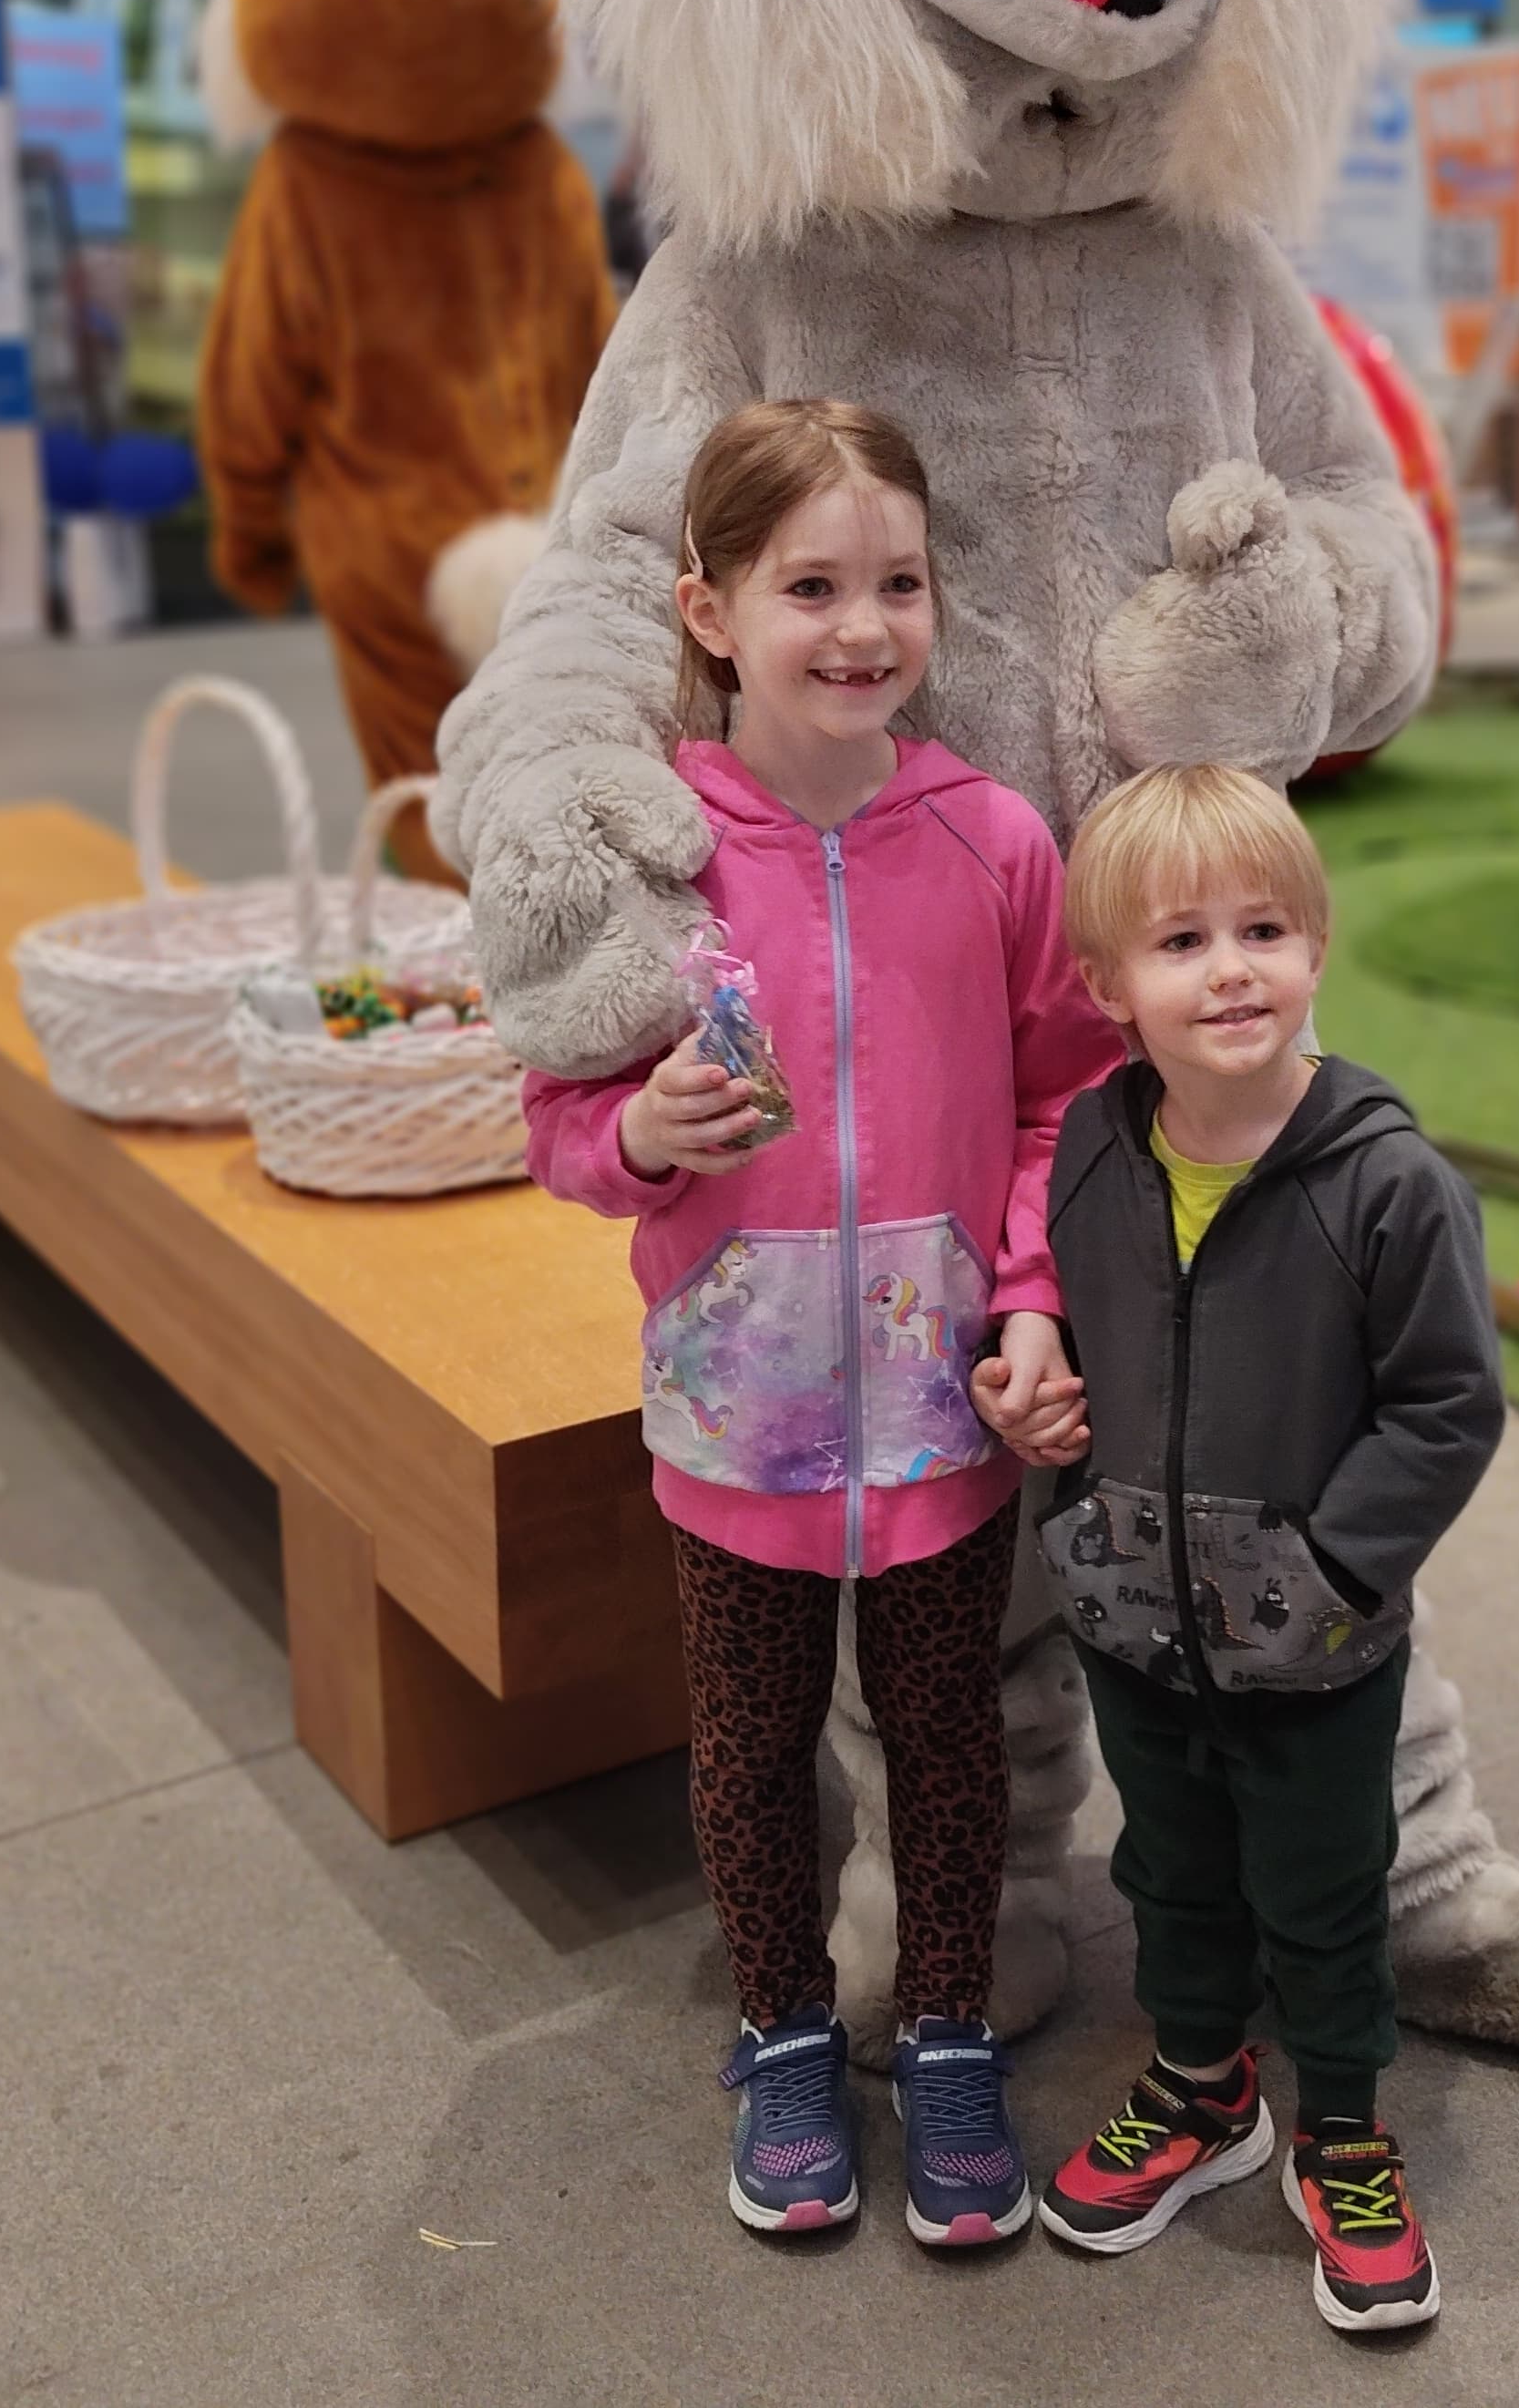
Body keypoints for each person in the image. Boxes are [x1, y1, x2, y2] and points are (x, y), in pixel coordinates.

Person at [522, 399, 1117, 2249]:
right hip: (736, 1411)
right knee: (750, 1740)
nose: (863, 628)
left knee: (947, 1738)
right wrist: (637, 1136)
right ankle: (782, 2033)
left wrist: (1034, 1300)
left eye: (899, 584)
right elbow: (557, 1118)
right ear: (710, 611)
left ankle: (947, 2039)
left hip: (948, 1412)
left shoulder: (997, 841)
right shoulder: (651, 861)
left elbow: (1065, 1101)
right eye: (811, 588)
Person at [979, 764, 1504, 2334]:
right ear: (1108, 986)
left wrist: (1332, 1575)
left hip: (1318, 1646)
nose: (1229, 971)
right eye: (1181, 941)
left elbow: (1447, 1408)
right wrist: (1046, 1414)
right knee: (1173, 1870)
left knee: (1325, 1889)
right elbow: (1074, 1326)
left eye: (1263, 930)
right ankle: (1205, 2088)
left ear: (1316, 945)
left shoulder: (1391, 1186)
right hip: (1135, 1621)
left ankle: (1340, 2128)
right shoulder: (1092, 1147)